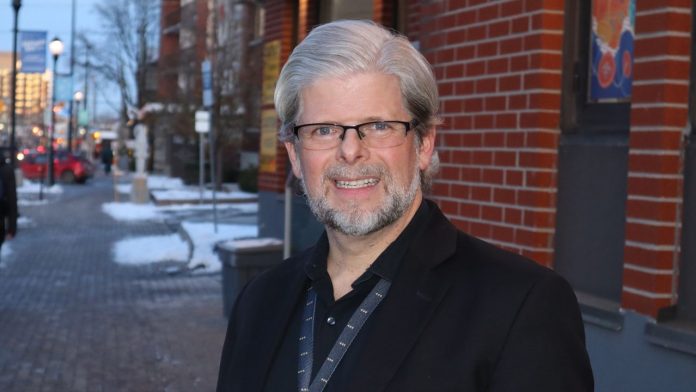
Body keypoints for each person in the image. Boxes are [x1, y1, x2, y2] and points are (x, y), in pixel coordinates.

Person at [217, 20, 593, 391]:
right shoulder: (258, 303)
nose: (350, 151)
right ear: (295, 156)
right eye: (324, 130)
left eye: (379, 126)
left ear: (424, 143)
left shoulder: (520, 307)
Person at [0, 149, 18, 261]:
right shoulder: (7, 169)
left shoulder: (6, 170)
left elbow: (12, 200)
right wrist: (12, 227)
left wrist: (12, 227)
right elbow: (12, 200)